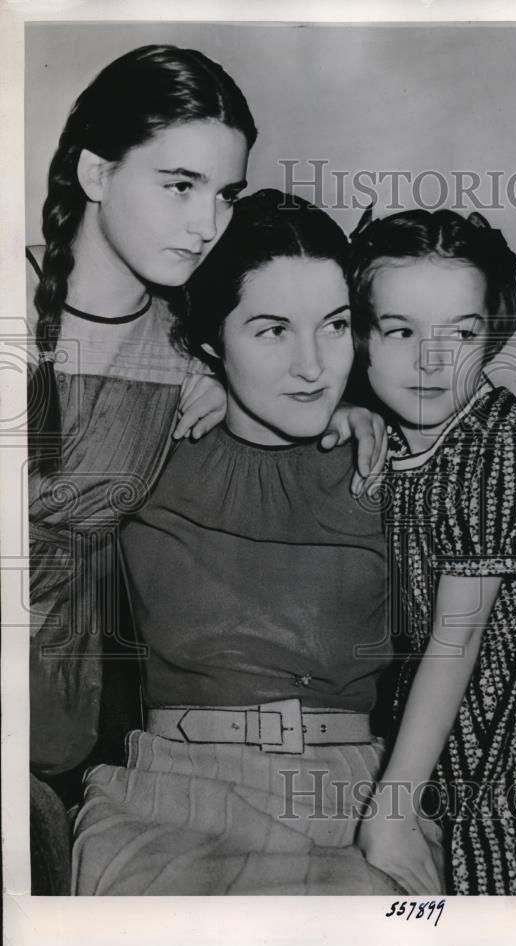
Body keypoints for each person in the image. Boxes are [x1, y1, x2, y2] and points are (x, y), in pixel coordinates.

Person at [26, 45, 385, 803]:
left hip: (54, 703)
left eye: (224, 194)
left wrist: (344, 411)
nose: (205, 224)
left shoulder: (184, 352)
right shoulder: (15, 300)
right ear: (96, 174)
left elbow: (277, 382)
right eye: (180, 186)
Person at [71, 190, 442, 895]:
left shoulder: (394, 462)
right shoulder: (146, 443)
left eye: (333, 326)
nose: (312, 367)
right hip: (170, 804)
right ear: (211, 339)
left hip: (356, 806)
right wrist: (182, 377)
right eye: (272, 331)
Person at [349, 208, 516, 895]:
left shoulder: (498, 443)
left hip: (510, 742)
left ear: (491, 334)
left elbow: (458, 635)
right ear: (361, 338)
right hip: (434, 728)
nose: (431, 360)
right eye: (401, 331)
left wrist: (393, 807)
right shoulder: (397, 432)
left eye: (460, 334)